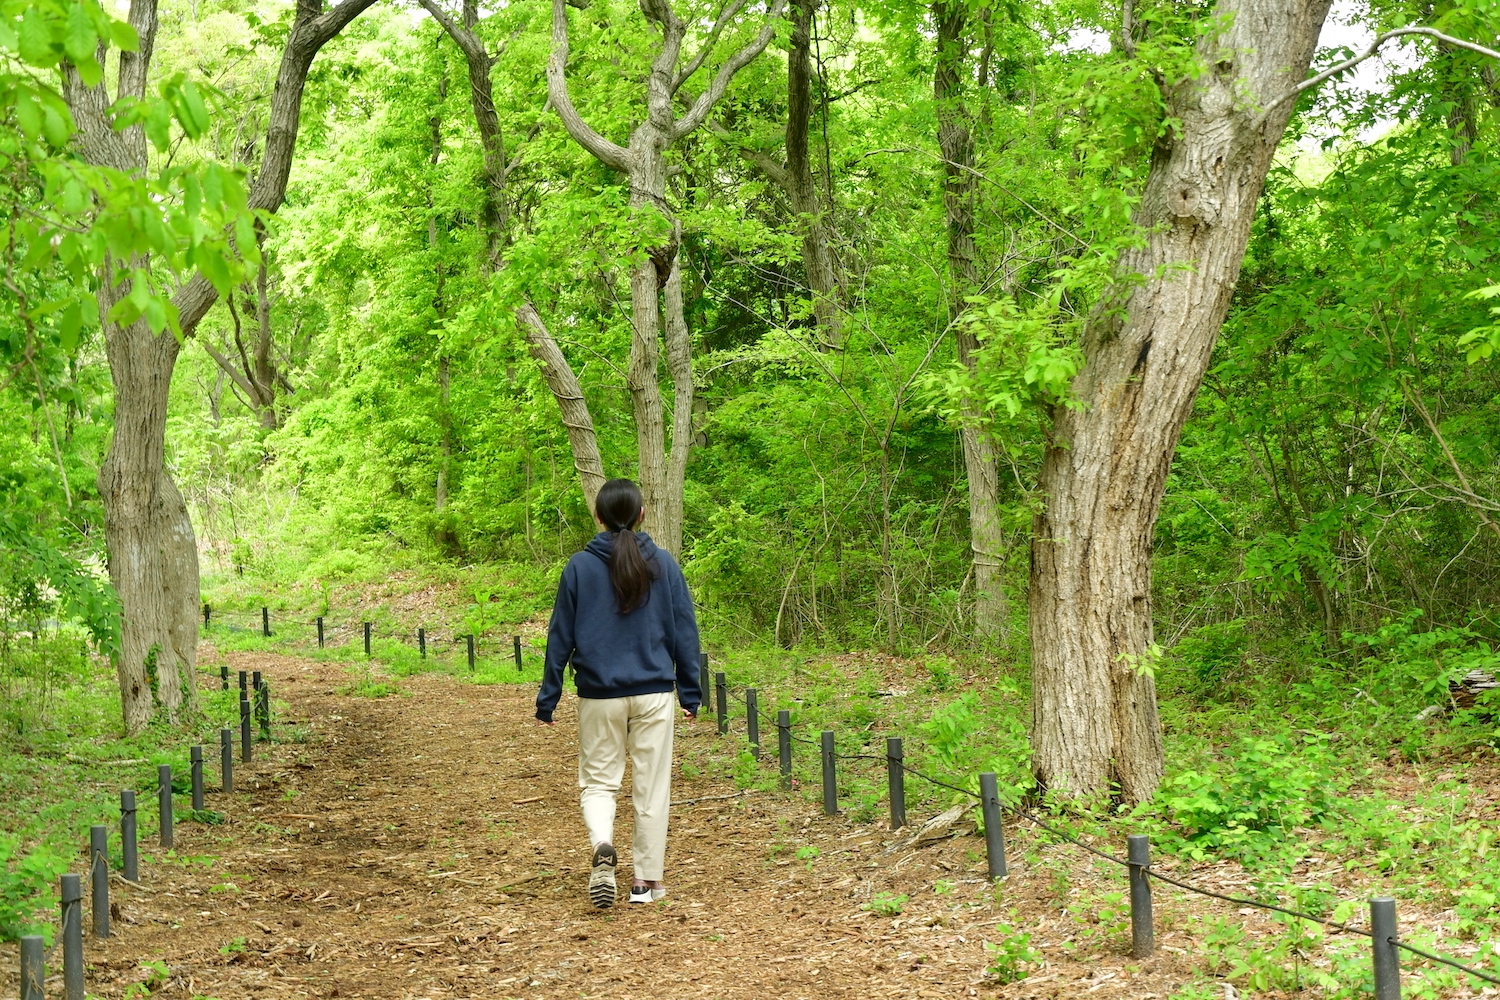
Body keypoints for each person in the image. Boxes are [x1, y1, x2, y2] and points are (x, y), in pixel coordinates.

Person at [535, 478, 703, 908]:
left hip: (599, 696)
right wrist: (690, 692)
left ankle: (602, 845)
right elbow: (684, 630)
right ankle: (646, 883)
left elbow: (560, 636)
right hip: (653, 695)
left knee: (598, 783)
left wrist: (549, 696)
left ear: (598, 517)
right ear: (642, 514)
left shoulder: (579, 566)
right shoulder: (664, 564)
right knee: (651, 787)